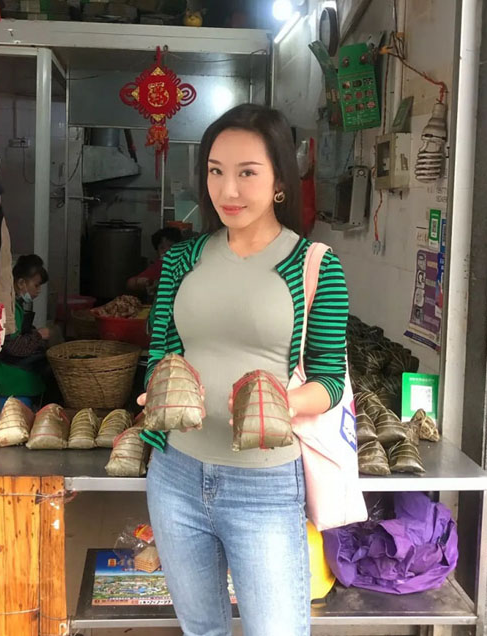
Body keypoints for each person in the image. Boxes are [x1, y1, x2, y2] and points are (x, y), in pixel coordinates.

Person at [137, 104, 349, 636]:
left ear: (279, 181)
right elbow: (161, 354)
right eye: (216, 171)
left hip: (265, 483)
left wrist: (281, 401)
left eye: (247, 172)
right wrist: (154, 391)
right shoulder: (182, 260)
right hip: (176, 475)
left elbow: (329, 380)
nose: (227, 189)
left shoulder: (313, 264)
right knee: (201, 630)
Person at [0, 254, 51, 408]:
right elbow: (14, 347)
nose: (39, 291)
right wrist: (39, 335)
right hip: (3, 373)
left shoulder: (15, 304)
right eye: (36, 285)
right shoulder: (10, 309)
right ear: (21, 283)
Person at [126, 226, 183, 297]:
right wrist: (140, 281)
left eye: (171, 246)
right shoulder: (159, 266)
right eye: (162, 247)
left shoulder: (184, 265)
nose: (166, 251)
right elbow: (130, 284)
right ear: (157, 252)